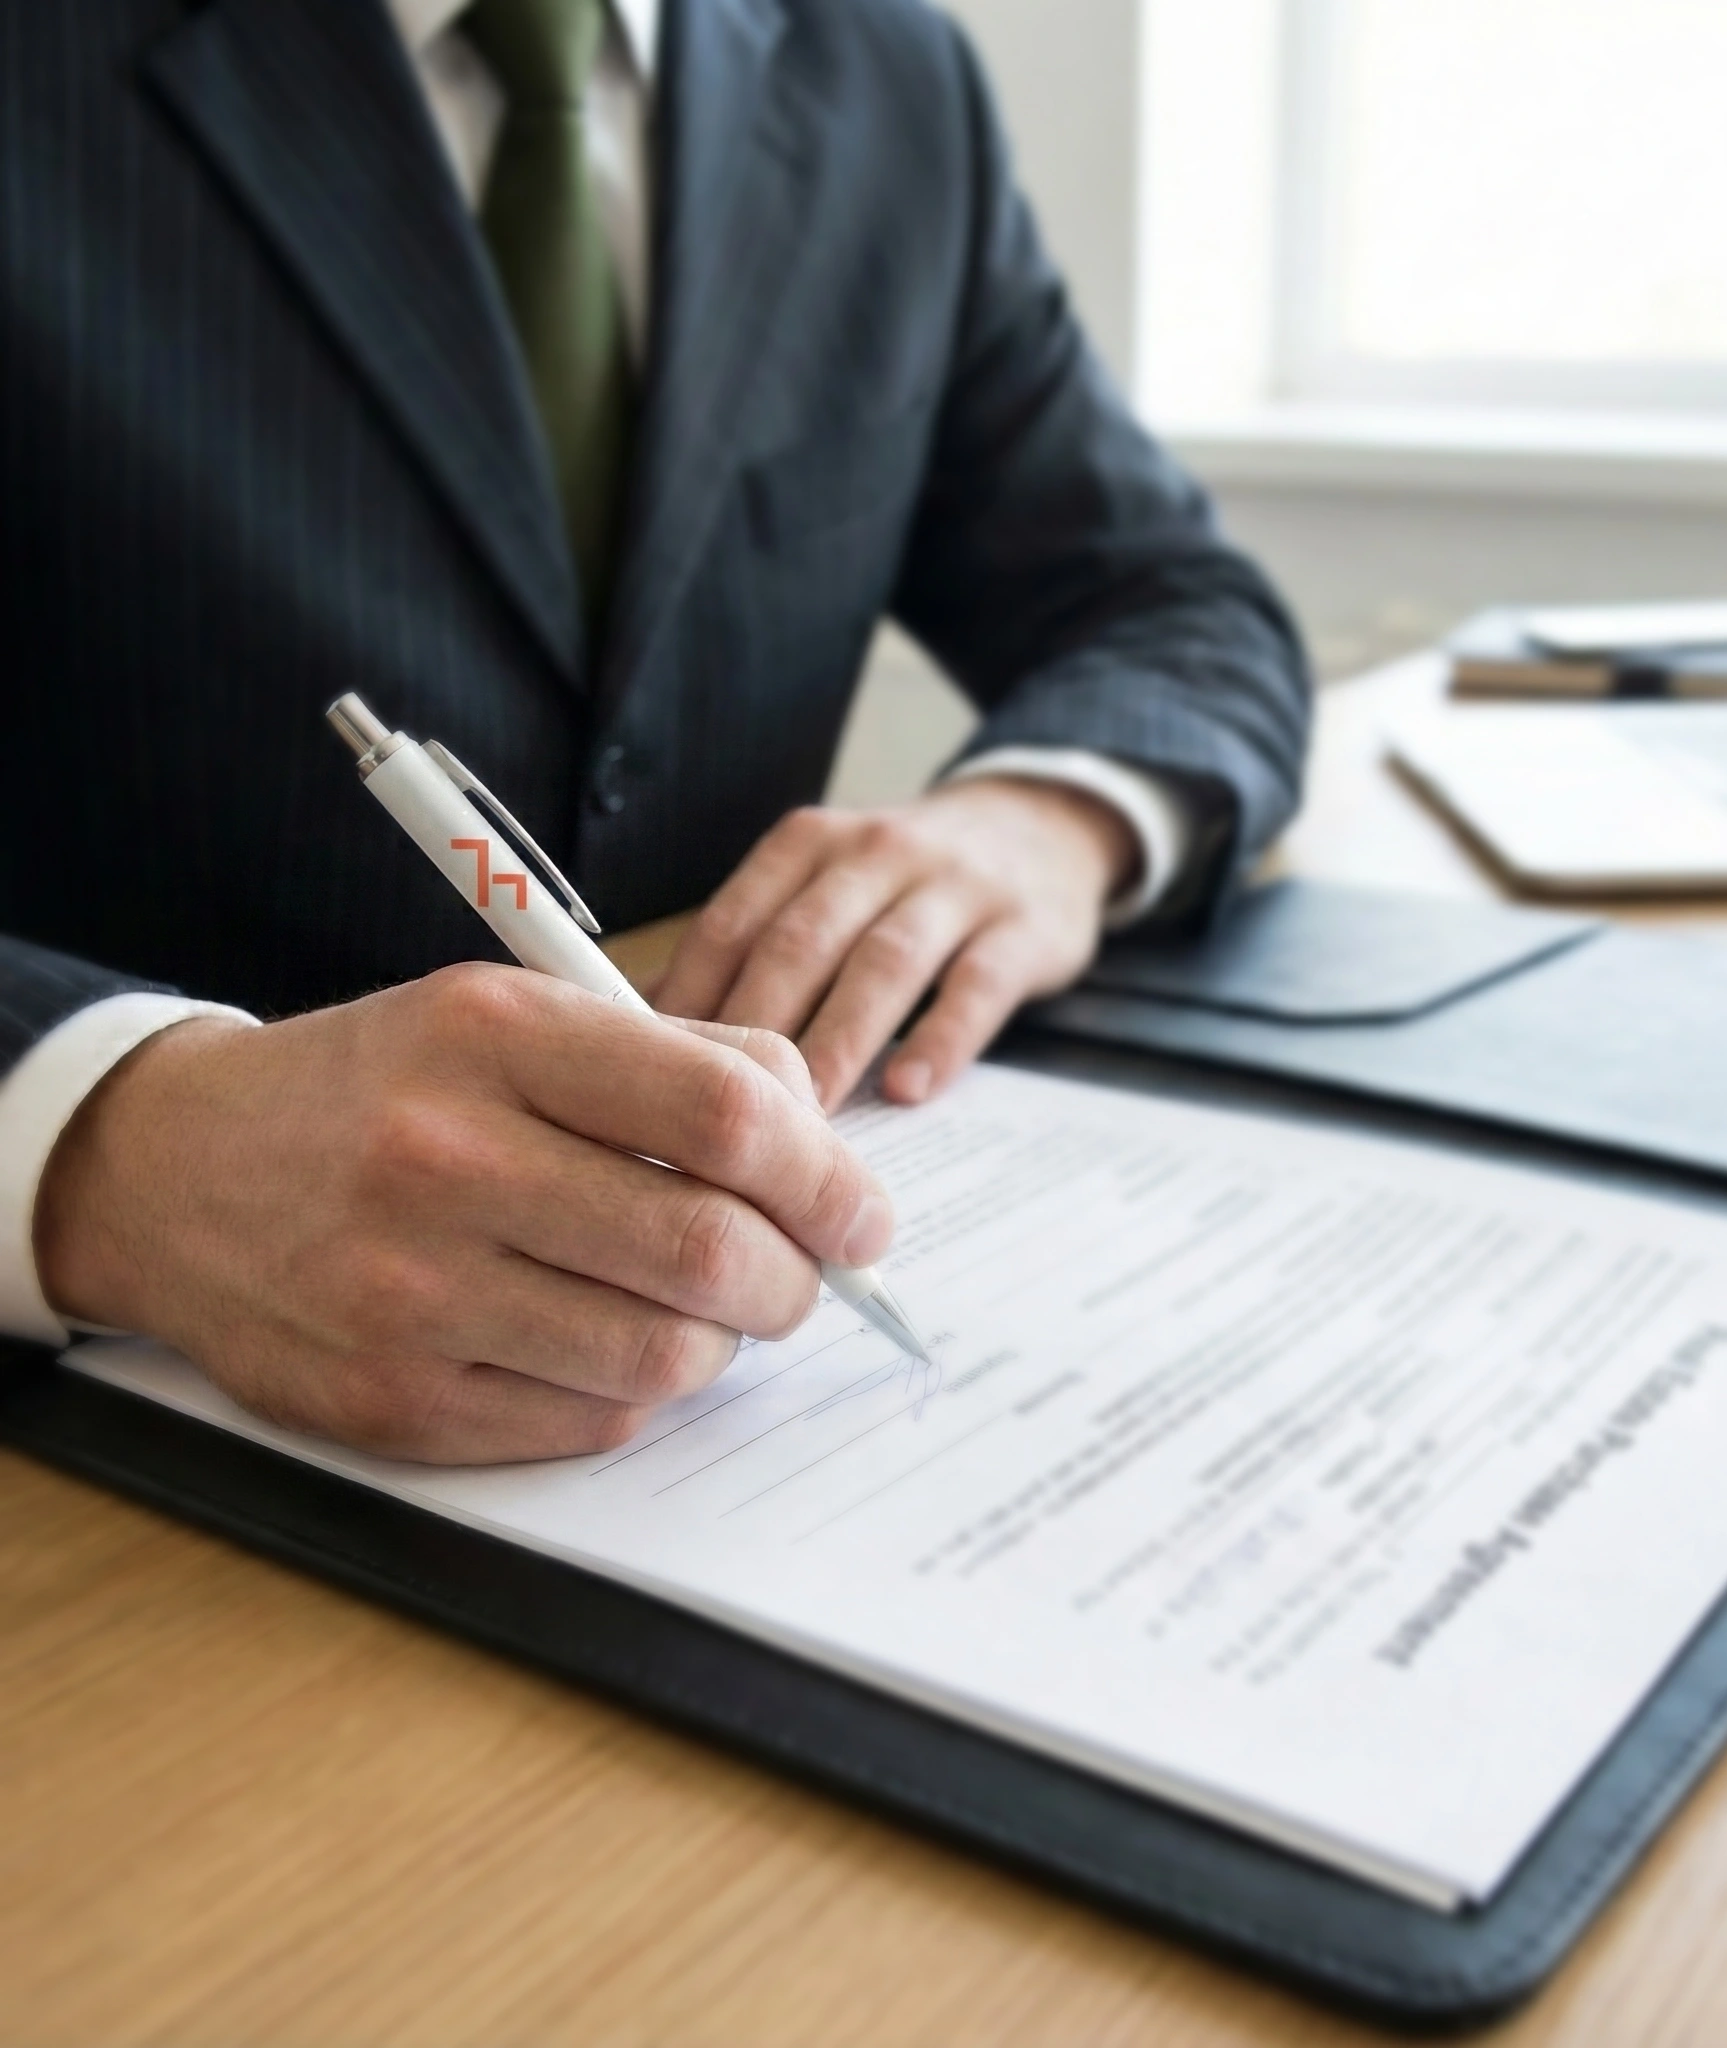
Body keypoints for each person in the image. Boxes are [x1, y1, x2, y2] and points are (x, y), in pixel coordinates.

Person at [0, 0, 1310, 1462]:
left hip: (682, 1420)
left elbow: (1177, 609)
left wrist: (1045, 822)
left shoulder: (889, 75)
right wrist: (112, 1150)